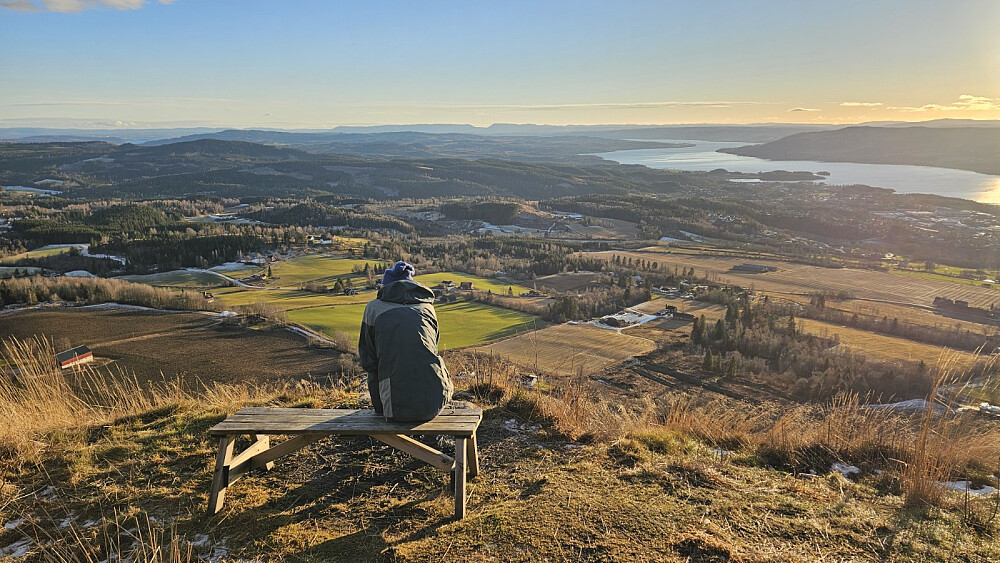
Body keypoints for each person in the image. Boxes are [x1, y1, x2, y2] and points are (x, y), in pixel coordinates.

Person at [358, 261, 453, 421]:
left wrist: (380, 407)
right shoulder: (427, 307)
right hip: (436, 401)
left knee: (375, 366)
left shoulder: (373, 308)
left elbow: (369, 359)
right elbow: (433, 347)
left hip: (394, 407)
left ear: (386, 286)